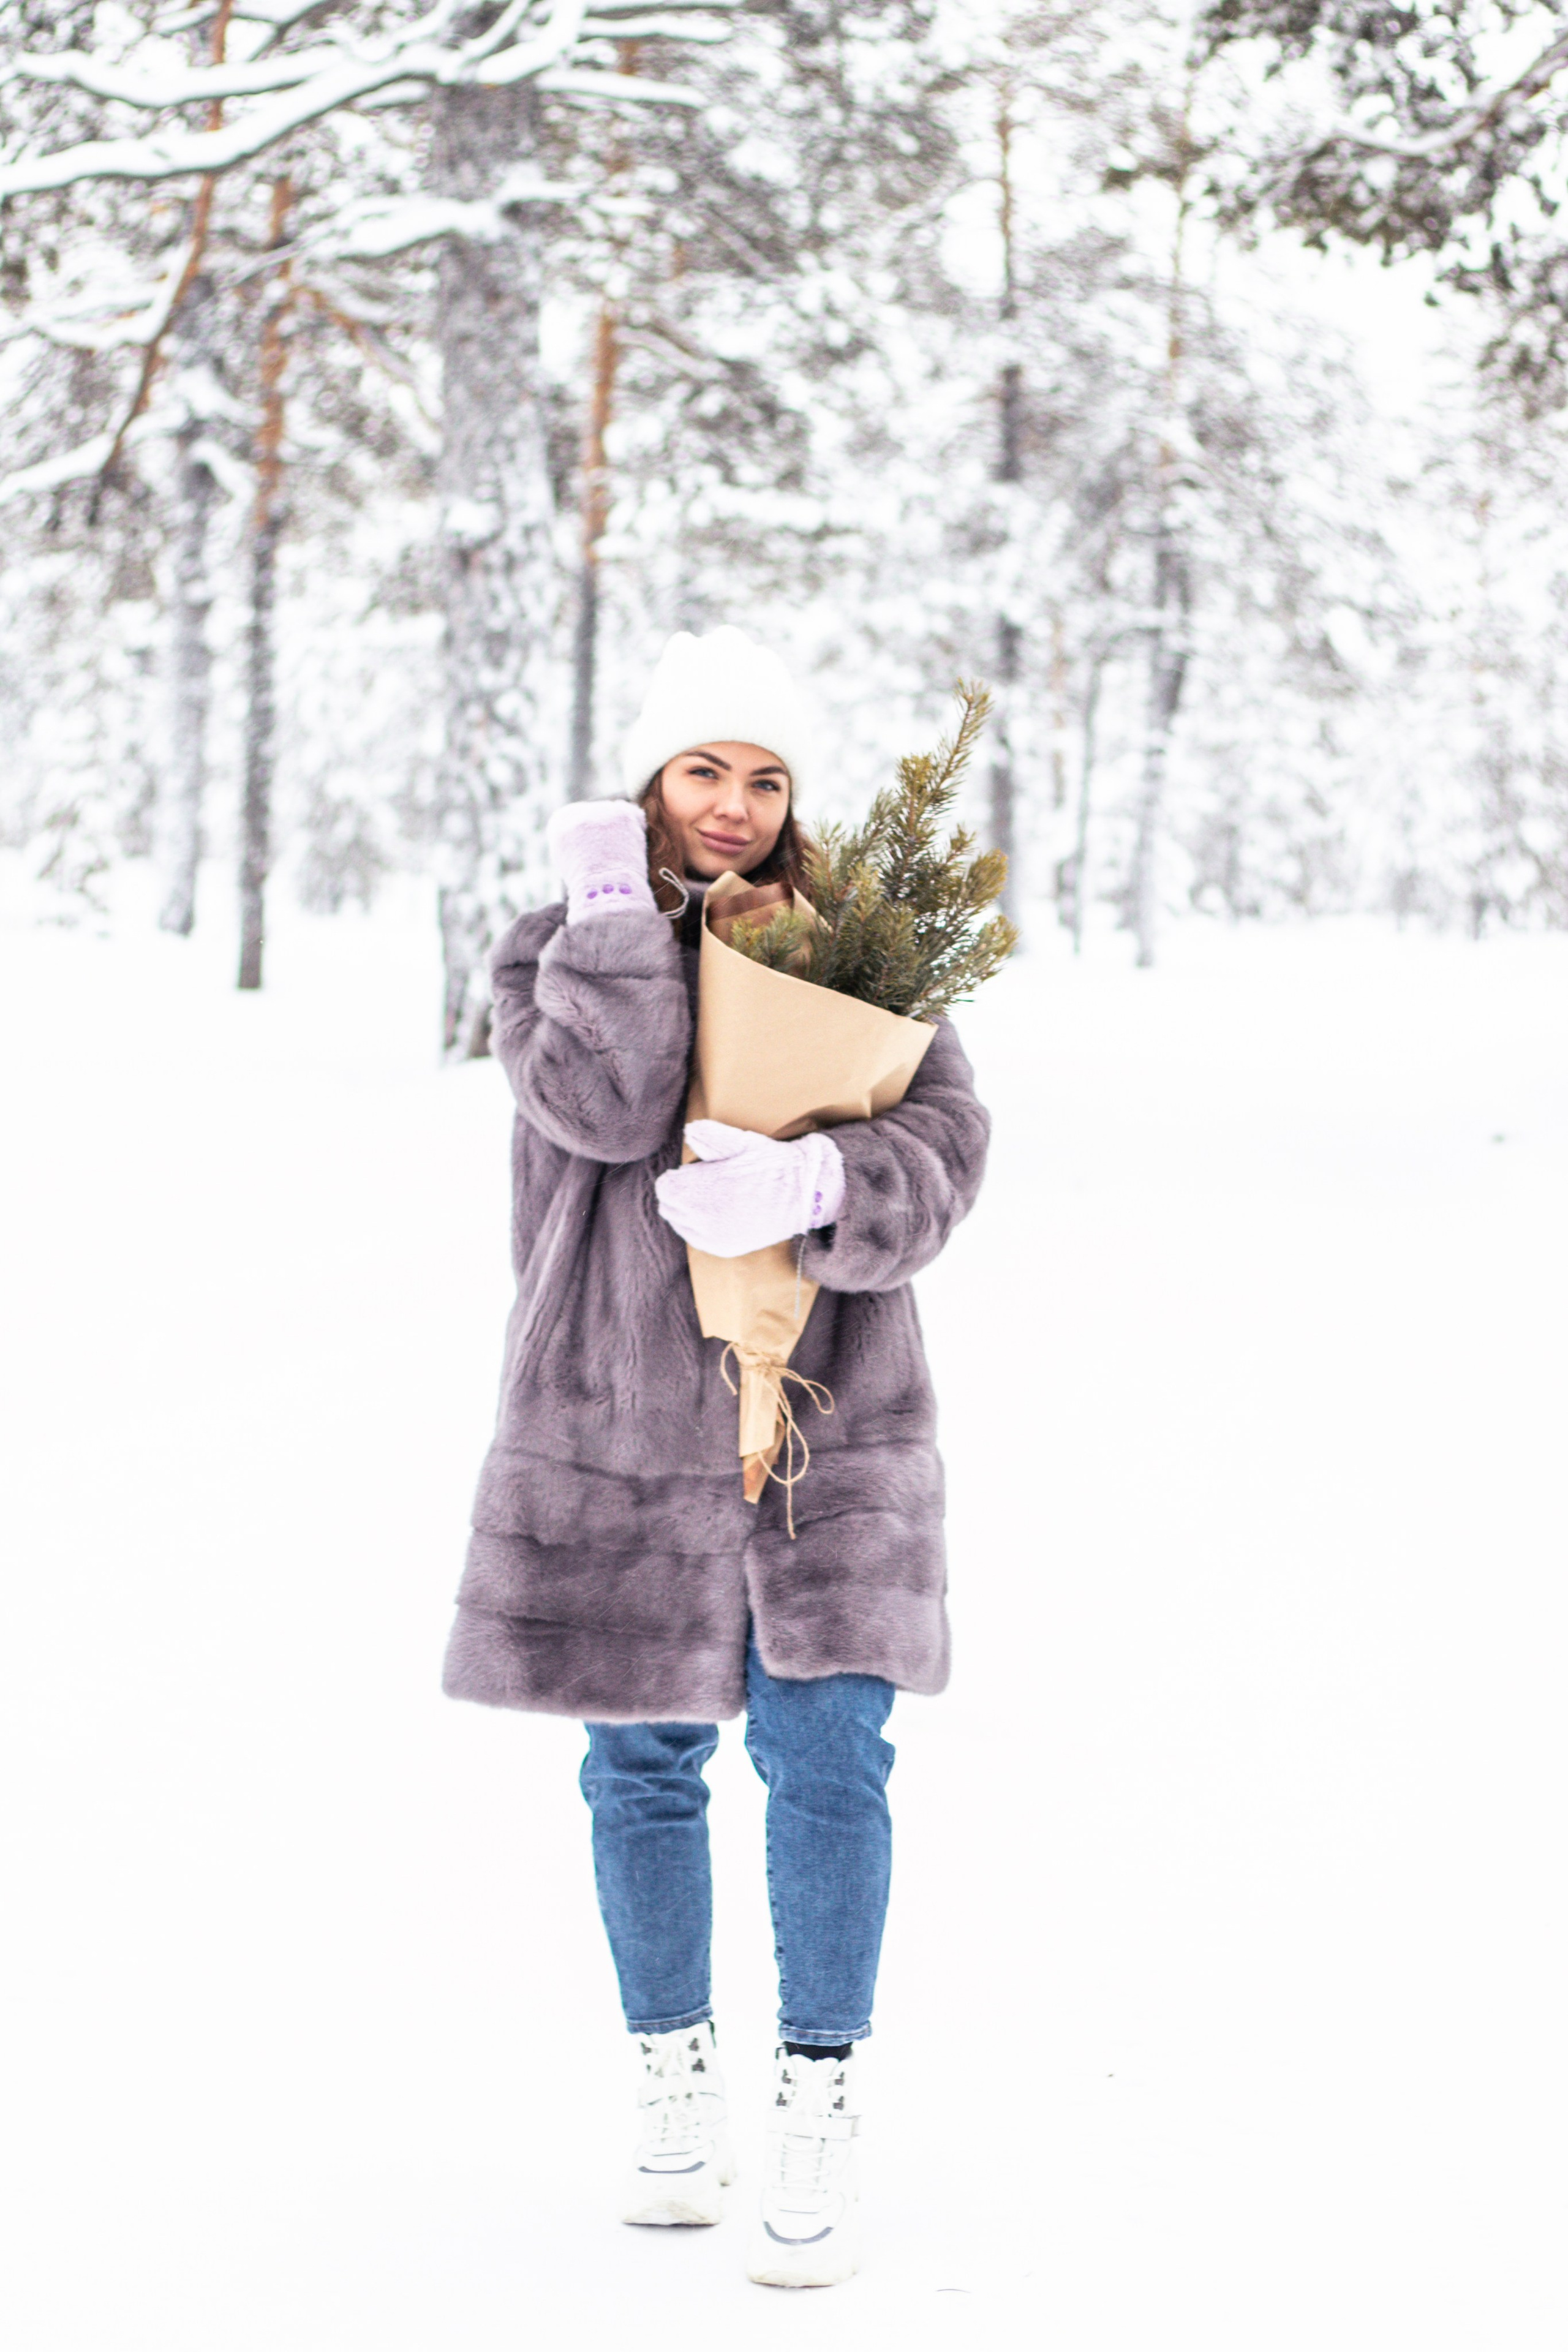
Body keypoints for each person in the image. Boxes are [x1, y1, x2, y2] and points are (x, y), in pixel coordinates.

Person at [443, 627, 990, 2288]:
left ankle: (818, 2094)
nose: (734, 803)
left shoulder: (859, 946)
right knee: (642, 1768)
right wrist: (617, 919)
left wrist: (826, 1186)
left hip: (825, 1419)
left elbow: (950, 1137)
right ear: (652, 781)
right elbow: (608, 1110)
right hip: (618, 1426)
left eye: (764, 776)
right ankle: (672, 2081)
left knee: (830, 1759)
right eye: (704, 769)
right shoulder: (553, 946)